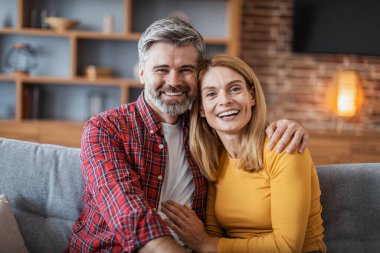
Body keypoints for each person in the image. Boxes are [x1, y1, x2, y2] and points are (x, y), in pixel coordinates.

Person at [68, 18, 310, 253]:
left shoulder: (206, 131)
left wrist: (290, 126)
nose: (173, 82)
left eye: (185, 70)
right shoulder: (104, 128)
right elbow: (126, 211)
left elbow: (245, 127)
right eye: (161, 70)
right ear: (142, 73)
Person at [161, 54, 326, 253]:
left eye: (235, 89)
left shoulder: (283, 148)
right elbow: (214, 235)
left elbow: (286, 247)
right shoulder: (216, 159)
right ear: (202, 109)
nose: (225, 101)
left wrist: (206, 244)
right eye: (211, 94)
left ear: (252, 96)